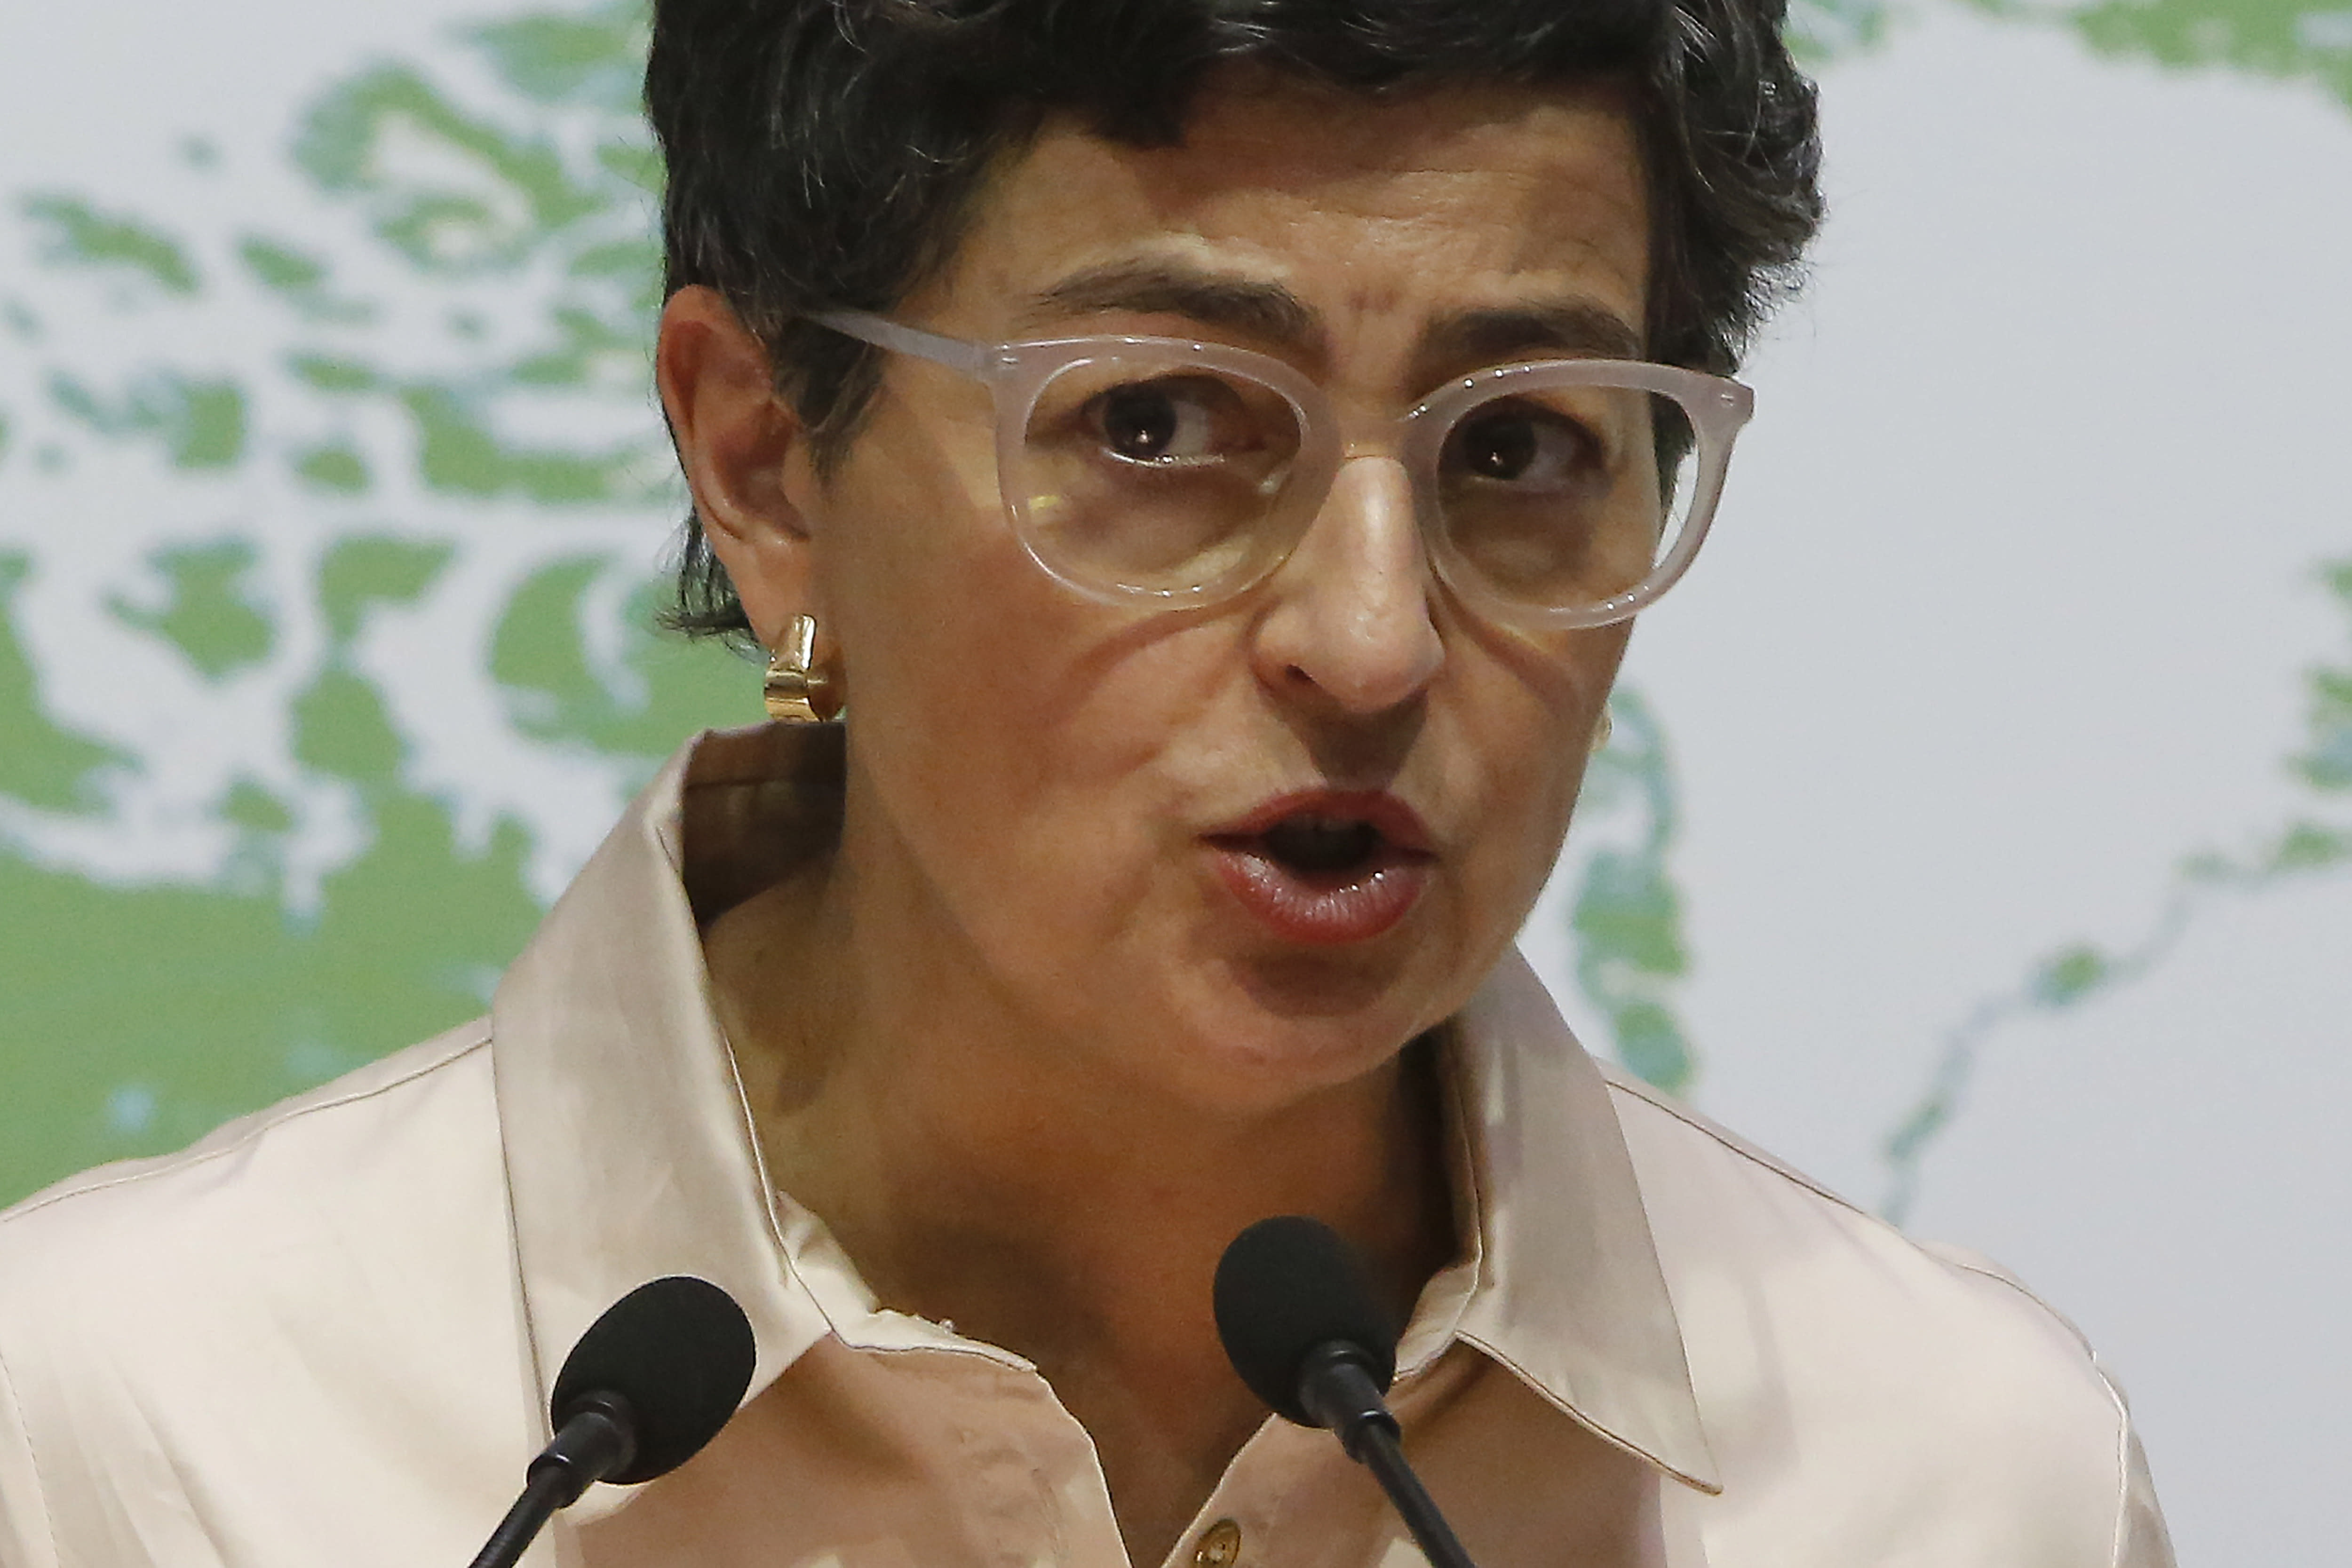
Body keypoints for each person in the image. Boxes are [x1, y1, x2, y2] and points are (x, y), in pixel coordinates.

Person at [0, 1, 2173, 1565]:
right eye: (1155, 423)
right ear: (764, 461)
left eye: (1514, 446)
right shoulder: (133, 1431)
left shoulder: (1946, 1481)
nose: (1372, 637)